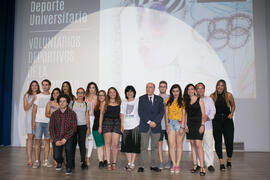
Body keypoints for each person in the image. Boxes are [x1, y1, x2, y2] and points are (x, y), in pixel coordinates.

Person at [137, 82, 164, 173]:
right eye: (147, 87)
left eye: (150, 87)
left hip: (156, 126)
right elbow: (140, 112)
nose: (148, 89)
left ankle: (154, 165)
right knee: (143, 147)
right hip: (145, 126)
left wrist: (155, 122)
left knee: (155, 147)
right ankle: (142, 166)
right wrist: (149, 122)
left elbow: (161, 112)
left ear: (154, 89)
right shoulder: (141, 98)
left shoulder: (159, 99)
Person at [210, 79, 235, 171]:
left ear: (224, 87)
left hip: (227, 120)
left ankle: (229, 159)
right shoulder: (212, 96)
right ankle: (221, 161)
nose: (220, 87)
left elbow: (233, 105)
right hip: (216, 120)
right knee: (218, 141)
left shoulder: (229, 95)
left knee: (229, 141)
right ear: (216, 86)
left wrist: (231, 113)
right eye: (218, 85)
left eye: (222, 85)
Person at [49, 94, 77, 175]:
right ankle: (60, 162)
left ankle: (68, 167)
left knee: (69, 151)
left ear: (67, 103)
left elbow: (73, 128)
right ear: (58, 103)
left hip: (68, 137)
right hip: (57, 137)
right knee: (56, 156)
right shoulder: (54, 114)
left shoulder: (72, 114)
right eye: (60, 101)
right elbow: (51, 128)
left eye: (64, 101)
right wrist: (56, 139)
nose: (62, 103)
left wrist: (65, 138)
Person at [183, 84, 207, 176]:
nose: (190, 91)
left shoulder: (199, 100)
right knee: (192, 144)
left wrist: (202, 125)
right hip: (189, 125)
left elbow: (203, 114)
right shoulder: (186, 101)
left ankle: (202, 167)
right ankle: (195, 165)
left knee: (198, 144)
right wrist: (185, 125)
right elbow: (185, 115)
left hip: (198, 124)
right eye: (188, 89)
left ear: (194, 90)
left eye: (192, 89)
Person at [99, 87, 121, 170]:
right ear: (108, 94)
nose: (112, 94)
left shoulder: (119, 102)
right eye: (110, 92)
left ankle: (114, 162)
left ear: (116, 93)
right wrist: (100, 126)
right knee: (107, 144)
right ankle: (108, 163)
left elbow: (121, 115)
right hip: (107, 123)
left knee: (115, 144)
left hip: (117, 123)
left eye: (114, 92)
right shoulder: (105, 102)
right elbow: (101, 115)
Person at [165, 84, 186, 173]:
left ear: (179, 91)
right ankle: (173, 164)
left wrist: (182, 126)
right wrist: (167, 125)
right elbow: (166, 114)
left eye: (177, 91)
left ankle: (177, 164)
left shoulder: (183, 101)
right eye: (173, 91)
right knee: (171, 145)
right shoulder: (167, 101)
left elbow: (184, 114)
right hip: (171, 123)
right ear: (171, 92)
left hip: (179, 123)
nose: (175, 93)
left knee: (179, 145)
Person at [32, 79, 52, 168]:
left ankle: (46, 161)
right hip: (39, 121)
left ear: (49, 86)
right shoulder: (38, 96)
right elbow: (34, 110)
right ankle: (37, 161)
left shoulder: (52, 96)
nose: (44, 86)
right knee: (37, 142)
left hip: (48, 122)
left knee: (47, 142)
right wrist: (33, 121)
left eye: (46, 85)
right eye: (43, 85)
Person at [195, 83, 216, 172]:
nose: (200, 90)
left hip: (207, 127)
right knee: (198, 146)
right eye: (198, 88)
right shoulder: (193, 99)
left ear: (204, 89)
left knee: (208, 145)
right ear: (196, 90)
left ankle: (210, 164)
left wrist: (208, 117)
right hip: (196, 127)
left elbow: (213, 111)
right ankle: (199, 164)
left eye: (202, 88)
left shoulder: (209, 99)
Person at [120, 85, 141, 171]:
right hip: (125, 126)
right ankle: (129, 163)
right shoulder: (123, 102)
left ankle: (132, 163)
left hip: (135, 126)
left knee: (134, 146)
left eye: (131, 91)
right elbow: (122, 114)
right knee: (126, 146)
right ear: (126, 93)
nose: (129, 93)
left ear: (134, 93)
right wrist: (122, 125)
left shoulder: (138, 101)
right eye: (128, 91)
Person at [70, 88, 90, 169]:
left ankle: (83, 161)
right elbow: (69, 115)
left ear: (84, 94)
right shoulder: (72, 103)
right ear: (76, 94)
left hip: (83, 126)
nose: (80, 94)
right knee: (72, 144)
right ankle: (71, 162)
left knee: (82, 144)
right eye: (79, 93)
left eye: (82, 93)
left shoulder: (86, 104)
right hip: (73, 126)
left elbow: (87, 116)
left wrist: (88, 128)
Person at [23, 80, 40, 167]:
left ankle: (38, 159)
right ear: (30, 86)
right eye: (32, 85)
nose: (34, 87)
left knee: (38, 139)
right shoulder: (27, 95)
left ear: (38, 87)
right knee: (30, 138)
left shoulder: (40, 95)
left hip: (39, 118)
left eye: (36, 85)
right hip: (29, 118)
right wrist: (32, 101)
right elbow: (25, 108)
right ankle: (29, 159)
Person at [45, 88, 61, 167]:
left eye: (57, 93)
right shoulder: (49, 103)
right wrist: (54, 116)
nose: (55, 94)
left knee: (61, 144)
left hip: (62, 126)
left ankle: (60, 160)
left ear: (59, 94)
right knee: (53, 144)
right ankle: (55, 161)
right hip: (52, 125)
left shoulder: (62, 103)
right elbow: (46, 114)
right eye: (54, 93)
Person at [158, 80, 171, 170]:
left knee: (170, 144)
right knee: (159, 144)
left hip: (168, 125)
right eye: (161, 86)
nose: (162, 88)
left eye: (164, 86)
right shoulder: (156, 98)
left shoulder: (170, 98)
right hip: (159, 125)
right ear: (159, 88)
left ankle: (170, 161)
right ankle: (161, 162)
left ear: (166, 88)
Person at [92, 90, 107, 168]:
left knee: (105, 145)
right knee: (99, 145)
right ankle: (100, 161)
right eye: (99, 95)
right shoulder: (96, 105)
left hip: (106, 128)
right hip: (95, 128)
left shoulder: (107, 105)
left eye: (103, 95)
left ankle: (105, 160)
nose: (101, 96)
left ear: (105, 96)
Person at [85, 82, 98, 165]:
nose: (91, 89)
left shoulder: (97, 98)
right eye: (90, 87)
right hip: (85, 119)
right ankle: (84, 157)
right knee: (85, 138)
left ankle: (88, 157)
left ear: (95, 89)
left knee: (91, 138)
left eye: (93, 87)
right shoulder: (84, 98)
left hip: (94, 119)